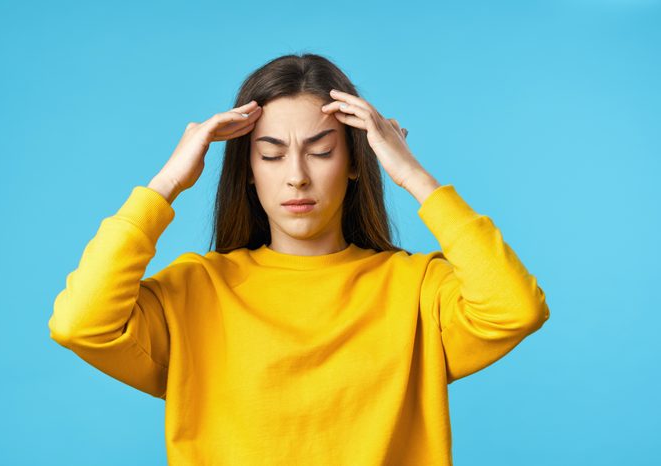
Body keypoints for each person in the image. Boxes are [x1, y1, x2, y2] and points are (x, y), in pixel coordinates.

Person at [48, 53, 550, 465]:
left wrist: (412, 174)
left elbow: (515, 308)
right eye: (270, 154)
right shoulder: (197, 290)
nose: (296, 176)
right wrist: (167, 183)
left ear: (356, 162)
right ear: (246, 170)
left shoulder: (417, 288)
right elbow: (80, 324)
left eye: (322, 151)